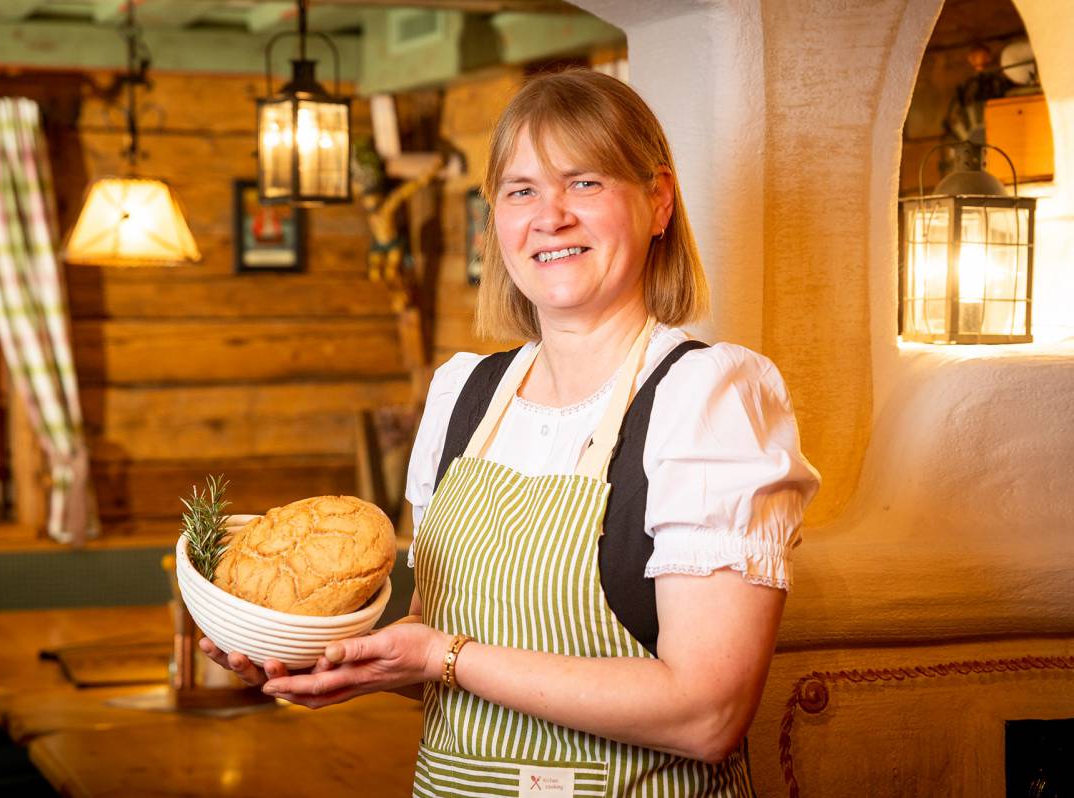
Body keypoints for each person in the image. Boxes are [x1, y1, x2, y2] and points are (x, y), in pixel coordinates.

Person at [202, 68, 820, 796]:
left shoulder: (706, 396)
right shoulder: (463, 394)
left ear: (658, 201)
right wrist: (322, 655)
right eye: (521, 190)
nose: (549, 216)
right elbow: (437, 642)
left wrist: (441, 657)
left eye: (584, 182)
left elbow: (708, 713)